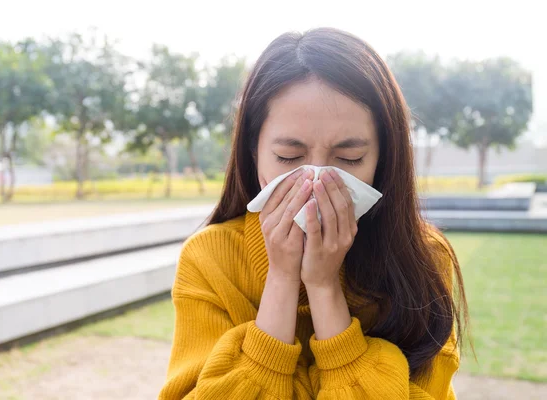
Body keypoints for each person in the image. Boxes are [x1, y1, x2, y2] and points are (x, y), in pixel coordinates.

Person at [159, 27, 468, 399]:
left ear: (383, 158)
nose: (316, 182)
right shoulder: (209, 259)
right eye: (289, 158)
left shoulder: (423, 258)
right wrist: (282, 279)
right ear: (253, 151)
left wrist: (324, 288)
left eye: (349, 159)